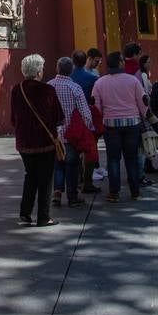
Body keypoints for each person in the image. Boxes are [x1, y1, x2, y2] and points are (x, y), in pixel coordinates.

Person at [12, 55, 63, 226]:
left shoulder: (16, 90)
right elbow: (58, 117)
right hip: (44, 141)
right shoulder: (47, 90)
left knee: (30, 176)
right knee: (46, 179)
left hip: (24, 142)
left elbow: (13, 118)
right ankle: (43, 216)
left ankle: (25, 214)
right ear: (38, 71)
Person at [91, 51, 147, 201]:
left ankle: (114, 193)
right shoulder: (132, 81)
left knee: (113, 158)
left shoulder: (100, 82)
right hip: (132, 124)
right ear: (121, 63)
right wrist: (148, 117)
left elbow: (96, 106)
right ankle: (135, 192)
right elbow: (143, 102)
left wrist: (100, 121)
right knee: (131, 158)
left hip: (110, 125)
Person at [48, 57, 94, 207]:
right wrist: (87, 129)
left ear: (57, 68)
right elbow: (85, 113)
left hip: (53, 134)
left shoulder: (49, 86)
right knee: (72, 165)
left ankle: (57, 192)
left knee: (58, 163)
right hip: (71, 134)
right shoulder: (75, 88)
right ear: (71, 70)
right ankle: (72, 195)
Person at [70, 50, 101, 193]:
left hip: (71, 117)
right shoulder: (92, 78)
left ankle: (77, 180)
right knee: (89, 150)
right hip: (87, 115)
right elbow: (95, 99)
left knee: (74, 150)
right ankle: (87, 182)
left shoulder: (68, 77)